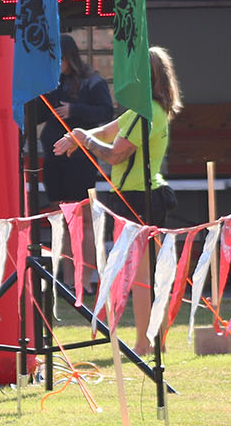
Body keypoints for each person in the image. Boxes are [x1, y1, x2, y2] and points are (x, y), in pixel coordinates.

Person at [53, 45, 181, 353]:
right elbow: (109, 131)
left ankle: (143, 342)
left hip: (139, 198)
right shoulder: (147, 111)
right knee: (147, 273)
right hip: (146, 195)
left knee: (140, 276)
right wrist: (79, 134)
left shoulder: (144, 113)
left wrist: (84, 139)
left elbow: (113, 152)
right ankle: (156, 340)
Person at [30, 34, 117, 205]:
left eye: (60, 58)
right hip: (53, 156)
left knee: (82, 208)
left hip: (81, 158)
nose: (57, 63)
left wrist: (74, 110)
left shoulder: (91, 81)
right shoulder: (52, 83)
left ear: (70, 57)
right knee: (57, 209)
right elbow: (37, 117)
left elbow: (106, 112)